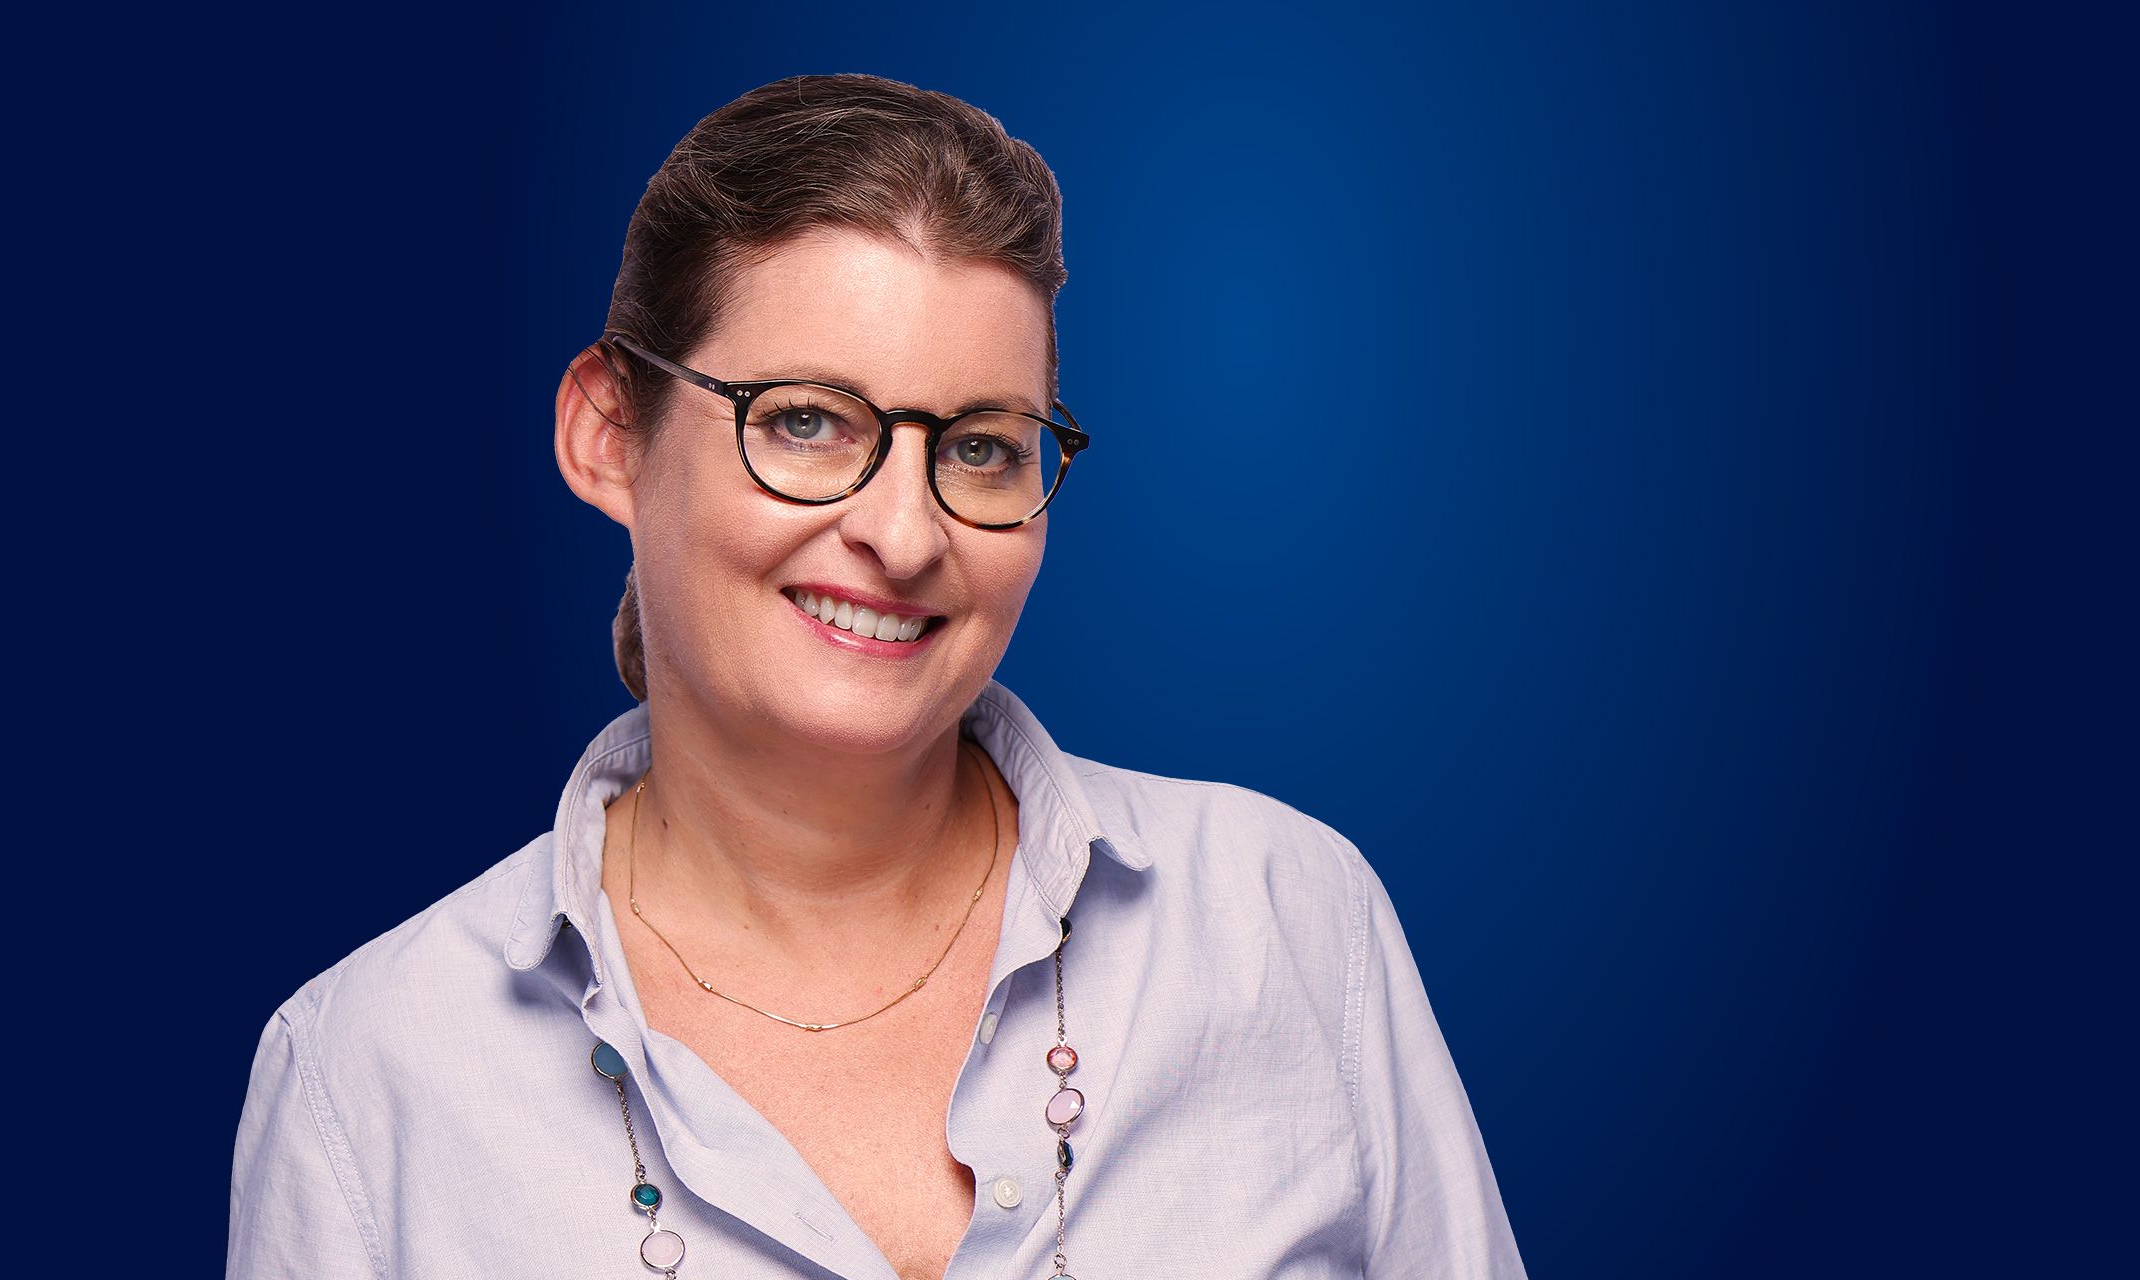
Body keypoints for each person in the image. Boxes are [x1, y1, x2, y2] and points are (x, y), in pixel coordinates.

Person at [227, 73, 1525, 1280]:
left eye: (981, 447)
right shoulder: (368, 1079)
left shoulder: (1288, 924)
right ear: (610, 434)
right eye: (805, 421)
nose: (904, 537)